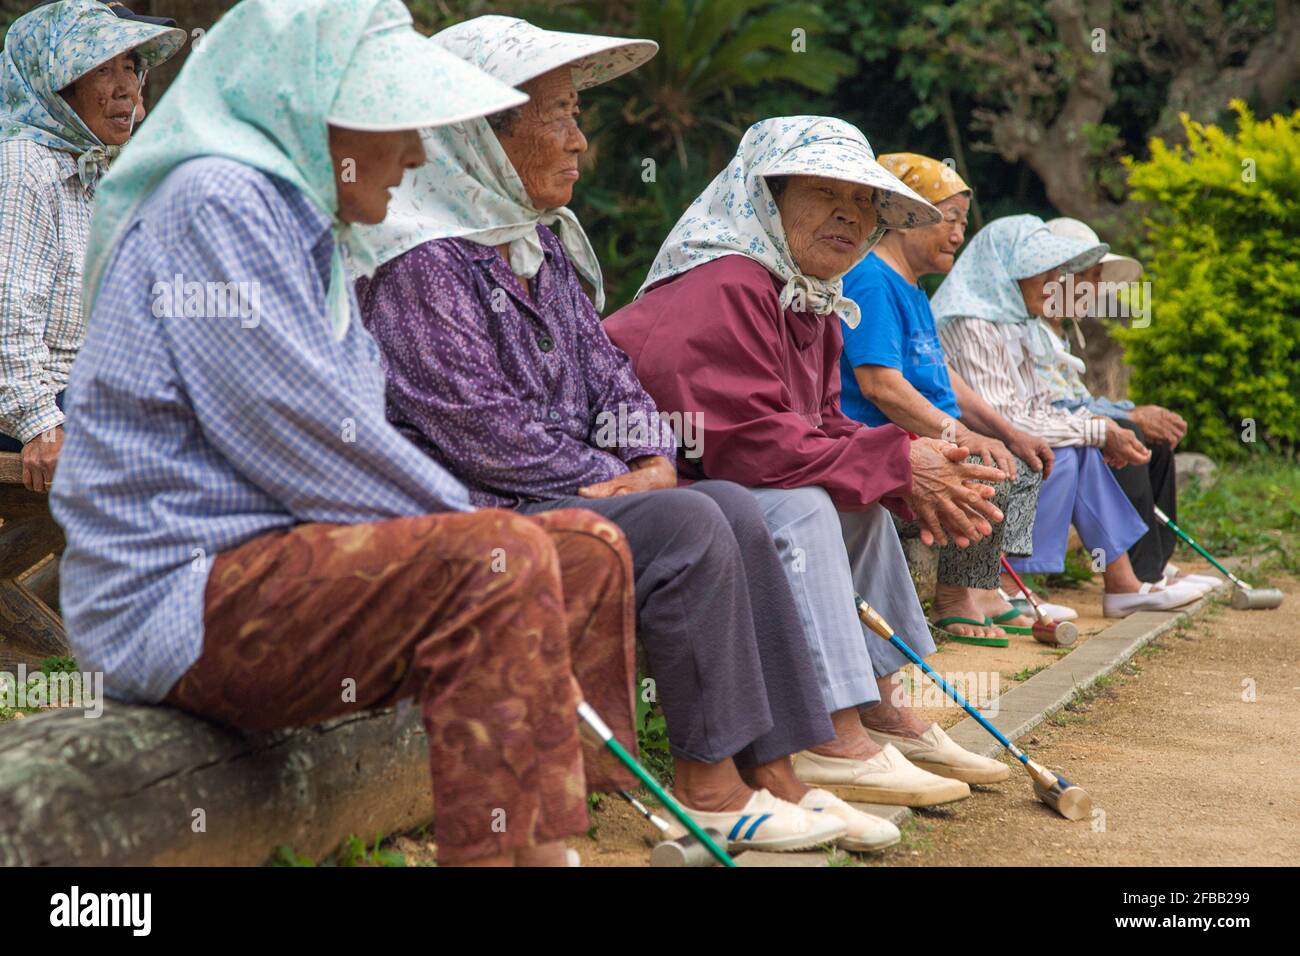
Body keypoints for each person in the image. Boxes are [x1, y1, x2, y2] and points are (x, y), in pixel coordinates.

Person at [50, 0, 638, 868]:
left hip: (280, 568)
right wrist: (480, 528)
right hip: (177, 599)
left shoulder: (311, 230)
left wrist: (498, 531)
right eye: (396, 122)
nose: (417, 152)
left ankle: (556, 839)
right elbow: (300, 431)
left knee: (587, 546)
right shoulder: (216, 199)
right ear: (312, 112)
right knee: (497, 558)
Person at [355, 16, 885, 852]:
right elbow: (477, 425)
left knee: (734, 511)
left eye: (578, 116)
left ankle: (775, 773)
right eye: (558, 116)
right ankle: (707, 786)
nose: (579, 140)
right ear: (480, 136)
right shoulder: (420, 258)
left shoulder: (538, 248)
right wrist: (620, 474)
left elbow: (612, 376)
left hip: (574, 490)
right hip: (476, 514)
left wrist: (646, 454)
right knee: (691, 520)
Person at [605, 117, 1014, 799]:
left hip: (719, 481)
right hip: (653, 490)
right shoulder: (725, 283)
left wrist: (903, 471)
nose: (849, 217)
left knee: (861, 512)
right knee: (800, 509)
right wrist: (898, 462)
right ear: (768, 199)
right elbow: (744, 444)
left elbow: (821, 426)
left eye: (863, 205)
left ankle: (880, 704)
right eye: (826, 192)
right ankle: (826, 731)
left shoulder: (809, 299)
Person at [933, 215, 1203, 618]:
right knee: (1068, 451)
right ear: (1007, 269)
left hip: (1006, 434)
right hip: (965, 440)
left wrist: (1099, 429)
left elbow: (1039, 405)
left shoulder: (1016, 323)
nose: (1053, 281)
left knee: (1081, 448)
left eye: (1056, 271)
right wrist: (1098, 430)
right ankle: (1016, 585)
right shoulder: (974, 323)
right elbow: (1007, 417)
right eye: (1042, 270)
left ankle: (1124, 581)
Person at [838, 153, 1055, 643]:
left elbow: (945, 377)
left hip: (930, 432)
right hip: (885, 439)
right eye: (949, 219)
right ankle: (956, 596)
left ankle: (986, 588)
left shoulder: (912, 289)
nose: (958, 234)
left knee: (1019, 457)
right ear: (904, 219)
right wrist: (960, 433)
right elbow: (879, 384)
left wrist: (1008, 430)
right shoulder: (872, 280)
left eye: (962, 221)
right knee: (987, 468)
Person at [0, 0, 184, 491]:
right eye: (103, 69)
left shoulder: (91, 170)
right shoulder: (24, 166)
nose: (127, 88)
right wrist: (38, 424)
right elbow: (7, 311)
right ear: (58, 86)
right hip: (38, 411)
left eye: (131, 67)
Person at [1040, 217, 1215, 593]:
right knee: (1128, 432)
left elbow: (1080, 400)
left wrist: (1130, 410)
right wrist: (1128, 417)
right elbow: (1055, 405)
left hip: (1063, 424)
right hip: (1044, 433)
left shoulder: (1060, 331)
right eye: (1090, 276)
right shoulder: (1034, 329)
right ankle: (1141, 574)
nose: (1097, 287)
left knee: (1153, 442)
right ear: (1059, 278)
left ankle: (1154, 563)